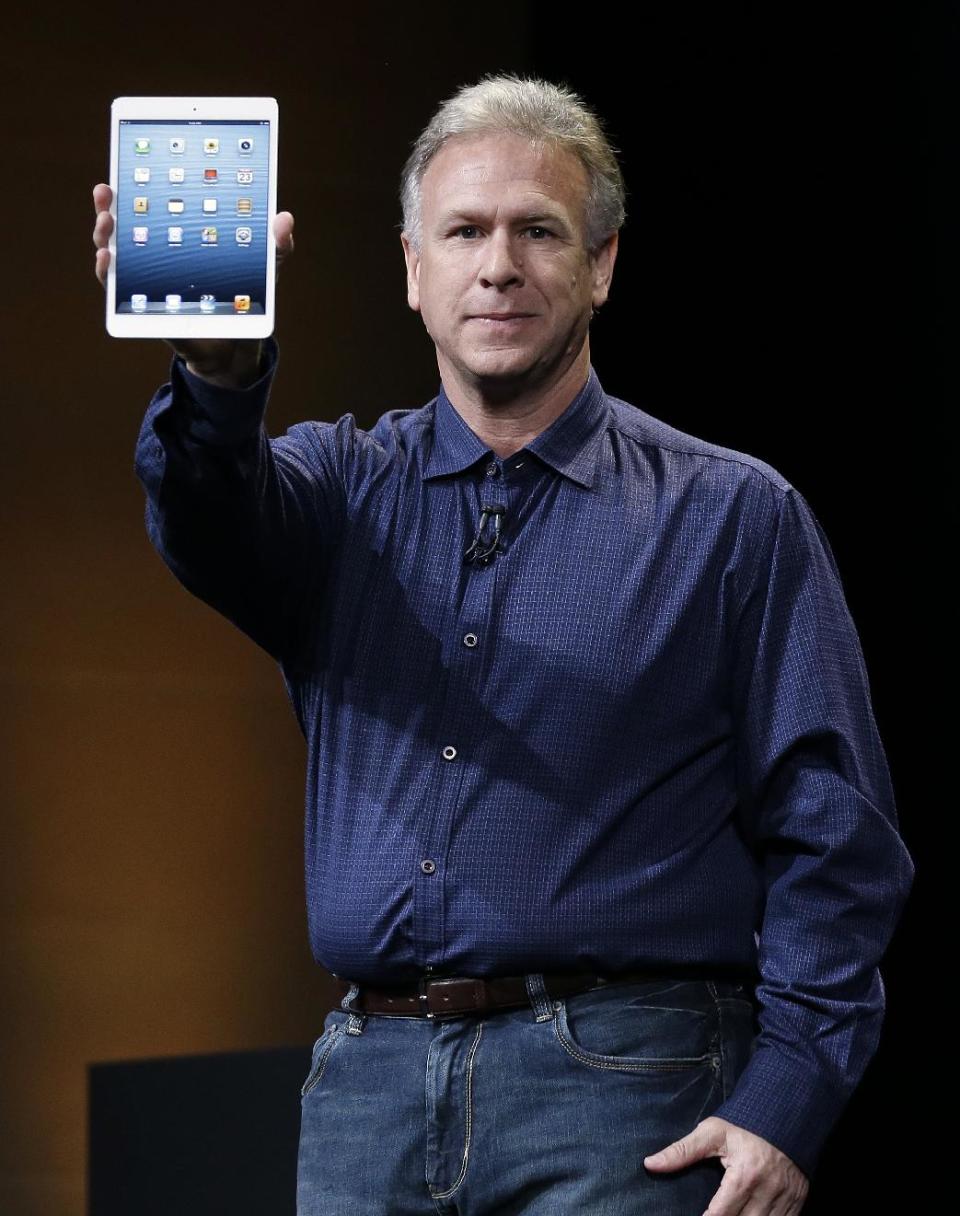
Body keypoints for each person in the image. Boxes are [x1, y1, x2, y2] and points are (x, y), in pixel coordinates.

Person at [92, 75, 913, 1216]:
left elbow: (839, 837)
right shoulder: (336, 491)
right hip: (366, 1090)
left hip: (626, 1090)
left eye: (539, 231)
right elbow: (208, 517)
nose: (498, 265)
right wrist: (220, 374)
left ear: (603, 264)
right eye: (465, 231)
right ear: (413, 269)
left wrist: (790, 1096)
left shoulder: (735, 516)